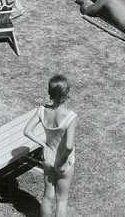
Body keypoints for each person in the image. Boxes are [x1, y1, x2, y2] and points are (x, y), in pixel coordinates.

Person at [23, 75, 77, 217]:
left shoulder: (42, 110)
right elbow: (69, 146)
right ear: (67, 94)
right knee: (62, 200)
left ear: (50, 93)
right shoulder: (71, 117)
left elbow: (27, 131)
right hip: (64, 162)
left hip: (49, 158)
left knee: (47, 197)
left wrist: (44, 145)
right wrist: (62, 162)